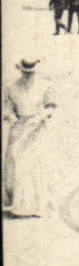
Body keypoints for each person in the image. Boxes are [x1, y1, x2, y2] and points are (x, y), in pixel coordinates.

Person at [3, 58, 57, 217]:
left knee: (37, 166)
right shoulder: (12, 87)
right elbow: (7, 109)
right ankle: (20, 206)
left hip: (38, 129)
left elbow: (51, 106)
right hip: (20, 129)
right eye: (25, 72)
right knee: (20, 166)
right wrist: (12, 118)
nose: (28, 75)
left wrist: (41, 117)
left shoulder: (43, 86)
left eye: (31, 72)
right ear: (20, 71)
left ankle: (38, 207)